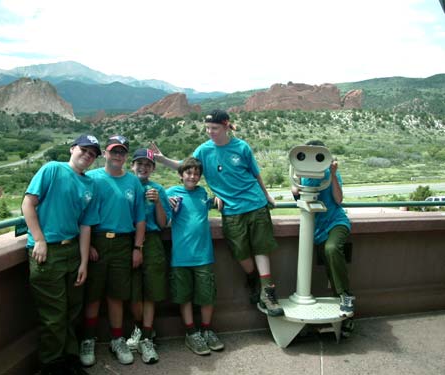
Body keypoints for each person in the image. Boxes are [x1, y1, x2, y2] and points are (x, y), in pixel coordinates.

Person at [151, 109, 283, 316]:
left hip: (255, 203)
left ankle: (267, 292)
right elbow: (185, 166)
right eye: (208, 128)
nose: (210, 132)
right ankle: (253, 278)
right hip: (231, 210)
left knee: (261, 248)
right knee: (240, 252)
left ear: (226, 126)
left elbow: (256, 175)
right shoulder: (204, 151)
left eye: (214, 128)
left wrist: (266, 196)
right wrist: (162, 159)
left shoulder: (241, 147)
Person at [22, 134, 101, 375]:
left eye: (92, 153)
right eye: (84, 150)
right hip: (49, 252)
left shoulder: (90, 185)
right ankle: (51, 366)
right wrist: (39, 239)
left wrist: (84, 262)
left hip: (73, 251)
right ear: (72, 149)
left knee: (72, 312)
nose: (87, 155)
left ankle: (70, 361)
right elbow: (28, 203)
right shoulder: (52, 169)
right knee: (54, 316)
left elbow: (86, 225)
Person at [79, 135, 146, 366]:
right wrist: (87, 247)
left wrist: (137, 247)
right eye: (113, 151)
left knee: (117, 295)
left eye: (122, 152)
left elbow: (140, 219)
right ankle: (88, 339)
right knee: (93, 295)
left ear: (126, 156)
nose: (118, 155)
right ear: (105, 153)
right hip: (97, 241)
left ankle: (117, 339)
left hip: (123, 244)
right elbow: (83, 215)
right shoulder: (92, 178)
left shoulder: (133, 182)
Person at [290, 140, 355, 335]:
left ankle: (346, 297)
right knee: (329, 268)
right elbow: (295, 193)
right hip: (315, 229)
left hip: (336, 222)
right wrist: (295, 171)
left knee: (332, 249)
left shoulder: (329, 174)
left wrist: (333, 175)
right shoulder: (304, 174)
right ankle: (345, 318)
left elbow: (338, 199)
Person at [166, 157, 224, 355]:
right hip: (181, 256)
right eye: (188, 173)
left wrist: (217, 200)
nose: (192, 176)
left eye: (196, 174)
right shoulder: (171, 193)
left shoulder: (201, 193)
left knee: (207, 296)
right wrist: (168, 207)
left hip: (204, 256)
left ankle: (206, 330)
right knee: (185, 297)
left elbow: (208, 204)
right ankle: (191, 333)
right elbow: (164, 220)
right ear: (181, 175)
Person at [126, 148, 170, 364]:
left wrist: (159, 202)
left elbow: (163, 224)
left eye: (147, 164)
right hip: (127, 240)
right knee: (133, 290)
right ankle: (139, 327)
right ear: (132, 166)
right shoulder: (126, 185)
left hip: (152, 241)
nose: (143, 167)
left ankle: (146, 335)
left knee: (151, 290)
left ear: (153, 168)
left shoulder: (158, 189)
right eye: (139, 163)